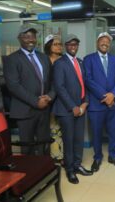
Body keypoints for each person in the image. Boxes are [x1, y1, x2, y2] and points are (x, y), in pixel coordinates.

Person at [3, 25, 55, 155]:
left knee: (44, 144)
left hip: (44, 109)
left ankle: (44, 171)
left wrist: (49, 96)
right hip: (25, 110)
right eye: (26, 36)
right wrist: (35, 101)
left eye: (33, 36)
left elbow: (53, 81)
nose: (30, 39)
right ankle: (30, 173)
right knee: (27, 147)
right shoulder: (12, 59)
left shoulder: (44, 57)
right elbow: (14, 86)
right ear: (19, 38)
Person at [52, 34, 92, 184]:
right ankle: (69, 170)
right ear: (65, 46)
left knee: (78, 140)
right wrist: (73, 106)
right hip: (67, 110)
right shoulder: (59, 63)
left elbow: (85, 84)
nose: (73, 47)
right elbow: (60, 88)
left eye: (75, 44)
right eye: (70, 44)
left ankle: (77, 165)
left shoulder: (80, 62)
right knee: (68, 141)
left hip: (81, 108)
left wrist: (85, 103)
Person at [84, 32, 115, 172]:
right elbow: (88, 80)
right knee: (96, 133)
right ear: (97, 42)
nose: (105, 43)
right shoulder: (88, 59)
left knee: (114, 132)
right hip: (97, 104)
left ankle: (113, 156)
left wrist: (113, 95)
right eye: (102, 40)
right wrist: (105, 96)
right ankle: (97, 157)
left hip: (114, 104)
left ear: (110, 45)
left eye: (107, 41)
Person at [44, 34, 64, 162]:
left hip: (62, 99)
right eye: (55, 44)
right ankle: (53, 155)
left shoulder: (64, 60)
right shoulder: (44, 60)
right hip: (48, 99)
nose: (59, 47)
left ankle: (61, 155)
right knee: (51, 129)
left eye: (60, 44)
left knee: (61, 129)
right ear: (49, 46)